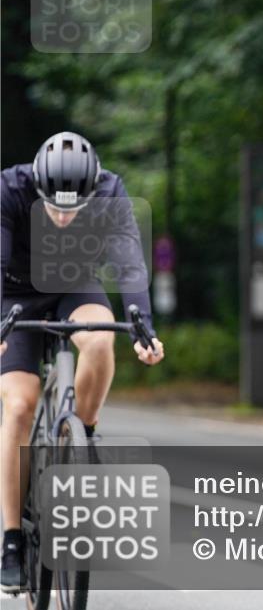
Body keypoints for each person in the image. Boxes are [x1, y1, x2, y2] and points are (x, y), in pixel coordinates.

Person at [0, 131, 165, 593]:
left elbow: (129, 262)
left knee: (98, 342)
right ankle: (12, 539)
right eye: (54, 207)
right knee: (18, 405)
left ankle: (83, 433)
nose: (64, 216)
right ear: (37, 186)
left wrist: (144, 326)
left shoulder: (110, 191)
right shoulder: (9, 190)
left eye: (74, 207)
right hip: (14, 293)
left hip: (73, 284)